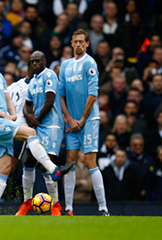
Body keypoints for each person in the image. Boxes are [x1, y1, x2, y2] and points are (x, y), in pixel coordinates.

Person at [0, 45, 74, 215]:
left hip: (9, 124)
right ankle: (53, 171)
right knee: (31, 134)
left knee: (5, 168)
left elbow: (7, 98)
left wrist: (13, 114)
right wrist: (5, 115)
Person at [59, 28, 109, 216]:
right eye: (75, 41)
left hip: (88, 120)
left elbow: (93, 95)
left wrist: (81, 119)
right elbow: (61, 96)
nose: (78, 44)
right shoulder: (65, 66)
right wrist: (70, 119)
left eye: (82, 41)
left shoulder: (90, 63)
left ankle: (103, 208)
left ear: (87, 44)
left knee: (89, 161)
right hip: (72, 122)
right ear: (71, 43)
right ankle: (69, 208)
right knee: (70, 161)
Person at [15, 51, 64, 216]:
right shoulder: (33, 81)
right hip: (38, 125)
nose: (35, 64)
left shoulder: (49, 75)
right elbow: (27, 105)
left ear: (44, 61)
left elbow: (50, 100)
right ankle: (27, 202)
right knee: (28, 162)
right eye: (32, 62)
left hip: (52, 126)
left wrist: (36, 119)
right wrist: (29, 116)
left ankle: (56, 205)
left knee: (45, 166)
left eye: (37, 61)